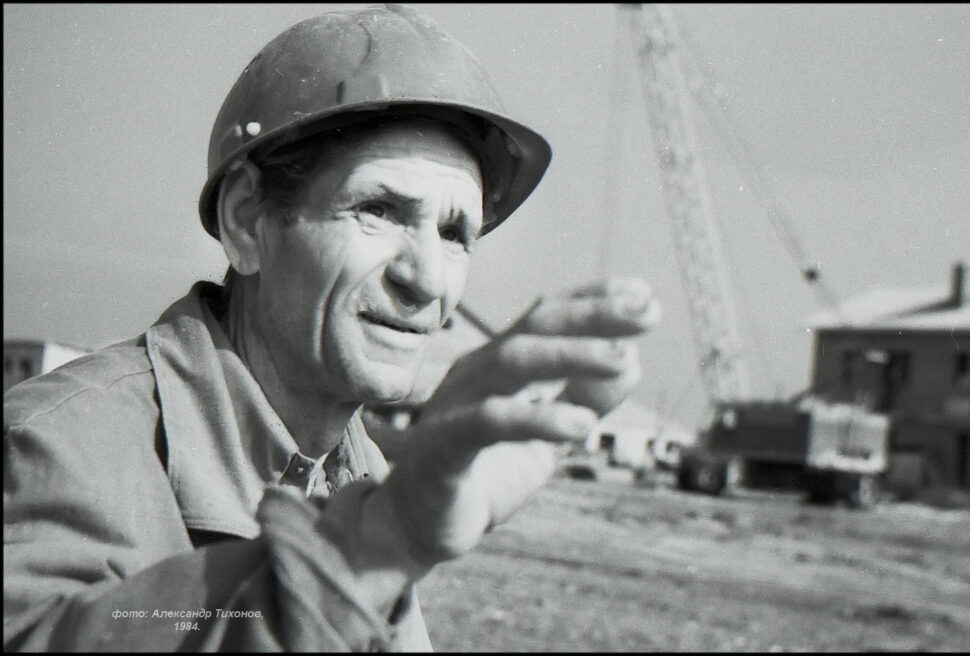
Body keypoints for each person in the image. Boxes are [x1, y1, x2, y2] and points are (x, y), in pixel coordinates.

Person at [3, 5, 660, 651]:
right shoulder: (61, 448)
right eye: (379, 209)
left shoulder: (357, 466)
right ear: (246, 221)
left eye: (455, 231)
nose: (429, 280)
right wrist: (373, 548)